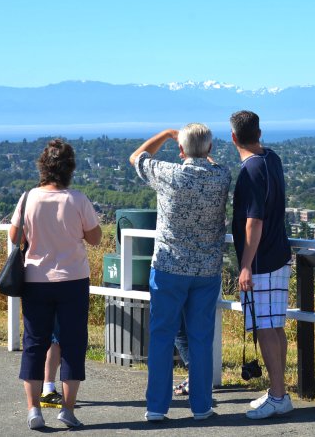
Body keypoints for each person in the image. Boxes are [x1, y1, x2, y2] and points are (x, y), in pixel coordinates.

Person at [130, 124, 231, 422]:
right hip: (206, 270)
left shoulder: (168, 173)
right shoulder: (221, 176)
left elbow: (137, 156)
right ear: (210, 149)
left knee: (162, 336)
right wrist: (202, 151)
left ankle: (157, 408)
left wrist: (166, 134)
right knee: (201, 338)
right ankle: (201, 406)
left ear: (180, 151)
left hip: (168, 267)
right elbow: (211, 162)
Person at [11, 139, 102, 430]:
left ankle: (33, 410)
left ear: (43, 166)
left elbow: (15, 236)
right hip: (73, 279)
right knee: (73, 343)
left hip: (35, 279)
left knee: (34, 344)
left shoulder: (28, 198)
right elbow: (96, 237)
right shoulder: (78, 199)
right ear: (70, 168)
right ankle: (68, 409)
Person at [229, 110, 293, 419]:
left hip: (261, 262)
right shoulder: (272, 159)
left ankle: (278, 396)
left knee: (266, 330)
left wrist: (245, 265)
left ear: (233, 138)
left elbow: (253, 221)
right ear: (259, 132)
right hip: (279, 254)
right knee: (276, 328)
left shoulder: (250, 171)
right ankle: (278, 391)